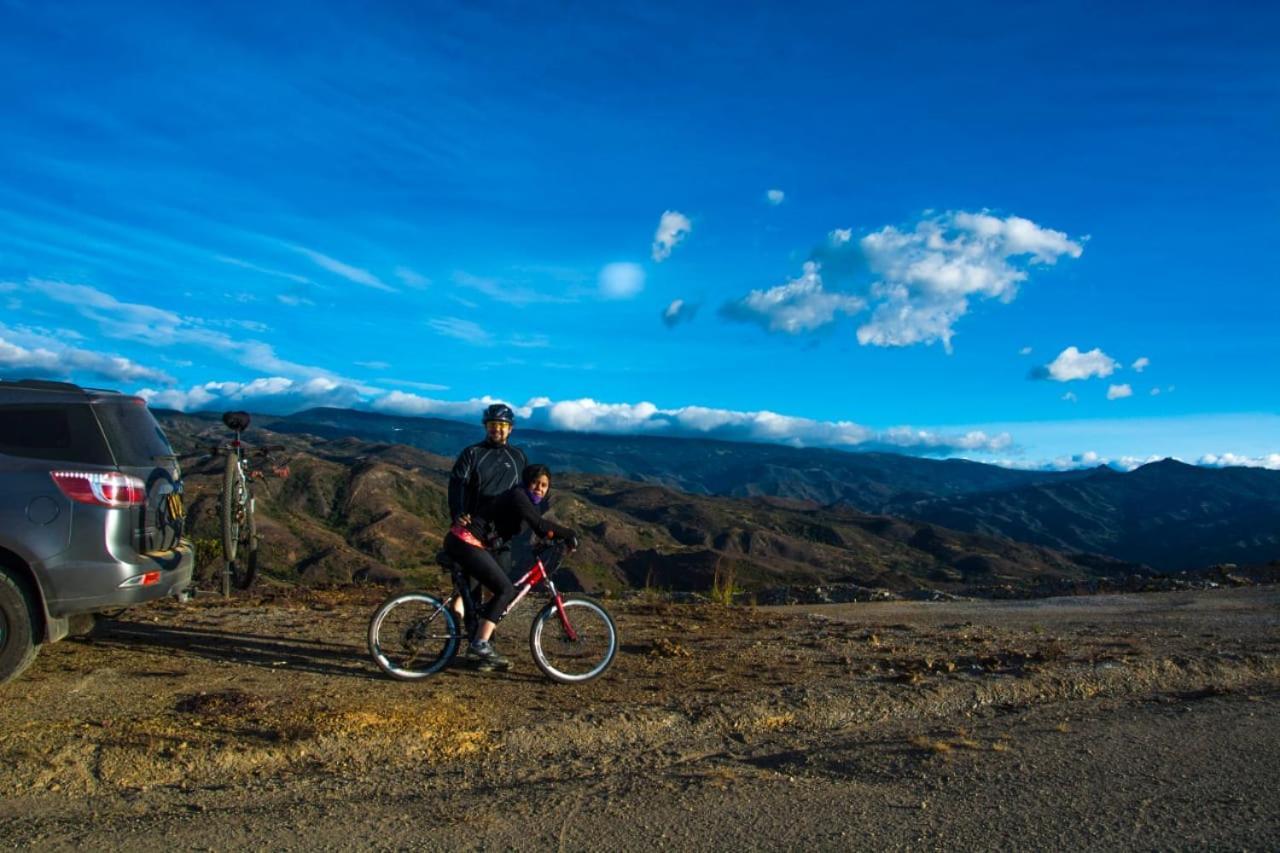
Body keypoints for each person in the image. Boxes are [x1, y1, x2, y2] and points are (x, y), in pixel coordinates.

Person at [444, 464, 578, 670]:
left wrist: (548, 540)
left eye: (544, 485)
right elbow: (540, 525)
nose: (539, 489)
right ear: (526, 482)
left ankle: (476, 644)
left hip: (467, 542)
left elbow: (539, 530)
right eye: (535, 483)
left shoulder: (524, 501)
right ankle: (480, 644)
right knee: (505, 590)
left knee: (479, 598)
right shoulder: (518, 496)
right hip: (466, 541)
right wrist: (569, 534)